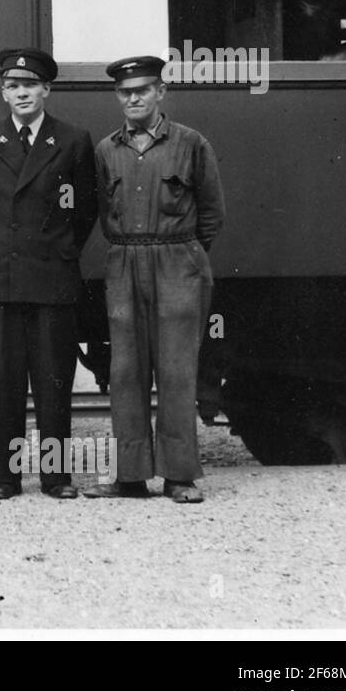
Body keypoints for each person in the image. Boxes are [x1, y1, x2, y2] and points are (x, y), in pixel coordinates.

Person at [83, 56, 225, 503]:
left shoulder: (190, 143)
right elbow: (106, 215)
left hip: (177, 260)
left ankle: (179, 476)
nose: (133, 98)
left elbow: (212, 213)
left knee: (177, 370)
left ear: (161, 93)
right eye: (126, 92)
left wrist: (182, 254)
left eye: (143, 90)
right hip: (125, 260)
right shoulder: (107, 150)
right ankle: (130, 476)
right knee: (126, 372)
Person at [0, 48, 97, 500]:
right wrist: (4, 249)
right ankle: (5, 477)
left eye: (31, 85)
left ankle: (55, 477)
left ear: (46, 90)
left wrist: (55, 248)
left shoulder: (73, 140)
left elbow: (85, 210)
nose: (22, 93)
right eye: (13, 86)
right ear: (3, 92)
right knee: (3, 382)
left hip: (52, 276)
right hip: (0, 278)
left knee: (54, 381)